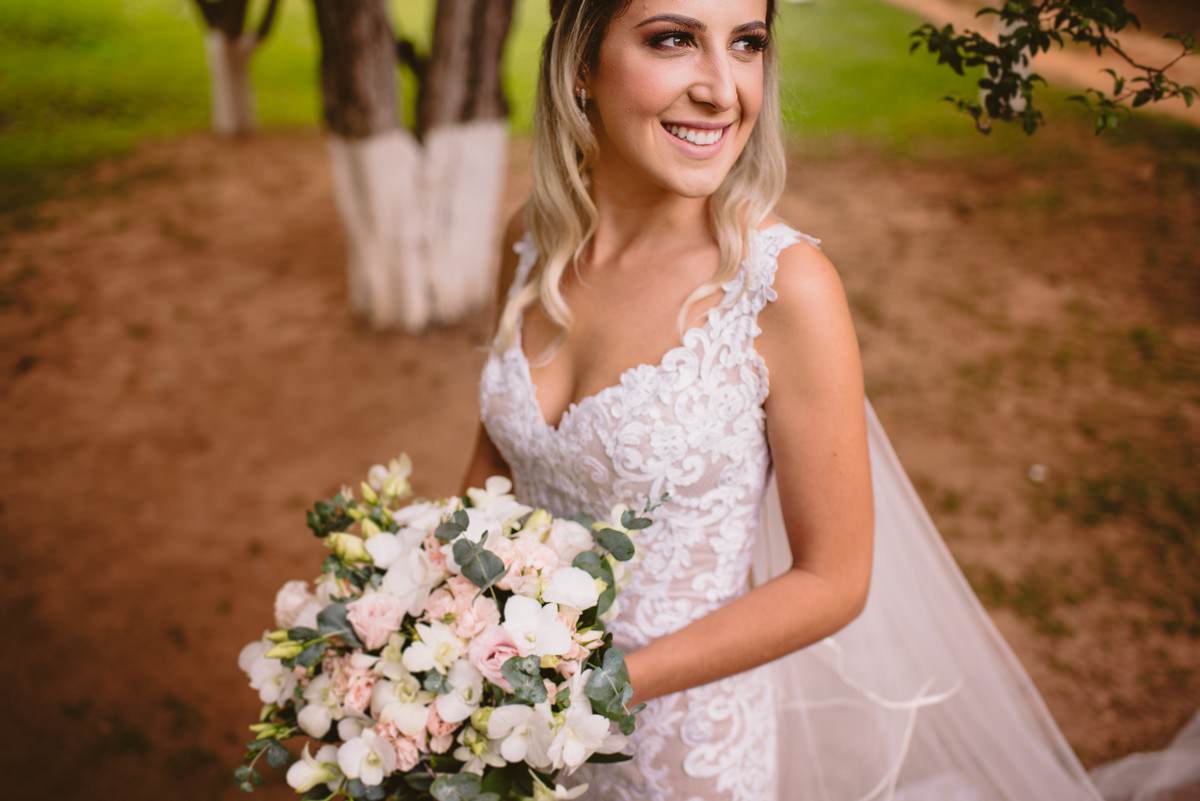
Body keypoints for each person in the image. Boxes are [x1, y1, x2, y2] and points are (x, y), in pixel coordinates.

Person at [460, 1, 1200, 799]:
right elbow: (499, 466)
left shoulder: (782, 288)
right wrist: (429, 616)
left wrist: (600, 682)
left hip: (678, 754)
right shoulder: (531, 240)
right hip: (507, 719)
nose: (722, 89)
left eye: (746, 45)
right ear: (579, 64)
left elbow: (833, 578)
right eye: (674, 41)